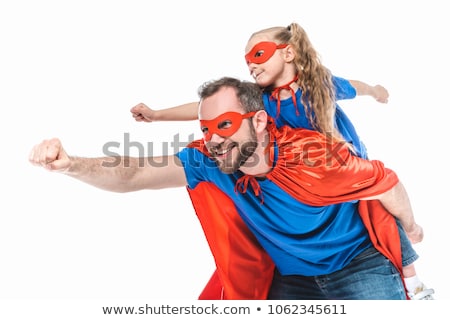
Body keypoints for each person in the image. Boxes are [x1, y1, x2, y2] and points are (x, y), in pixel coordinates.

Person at [30, 76, 425, 299]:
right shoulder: (211, 161)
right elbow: (132, 174)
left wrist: (409, 226)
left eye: (224, 125)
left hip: (358, 265)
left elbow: (387, 184)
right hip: (290, 279)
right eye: (205, 128)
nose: (214, 138)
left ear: (258, 121)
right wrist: (71, 165)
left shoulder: (312, 153)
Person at [130, 23, 434, 300]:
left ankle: (414, 285)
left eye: (258, 54)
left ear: (288, 53)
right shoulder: (260, 99)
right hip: (295, 177)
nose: (251, 64)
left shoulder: (319, 85)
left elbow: (354, 87)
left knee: (379, 216)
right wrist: (158, 115)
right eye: (247, 59)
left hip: (338, 171)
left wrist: (376, 91)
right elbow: (204, 110)